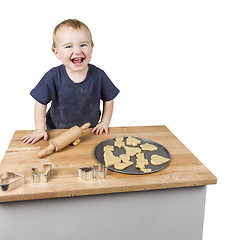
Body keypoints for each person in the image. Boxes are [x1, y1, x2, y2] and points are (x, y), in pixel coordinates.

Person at [22, 19, 119, 144]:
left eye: (83, 45)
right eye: (69, 46)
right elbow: (40, 103)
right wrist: (40, 129)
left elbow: (109, 99)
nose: (77, 51)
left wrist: (104, 122)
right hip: (57, 132)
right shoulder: (52, 76)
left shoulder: (99, 75)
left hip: (89, 133)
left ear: (92, 47)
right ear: (57, 53)